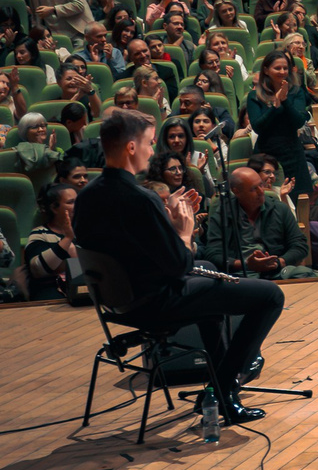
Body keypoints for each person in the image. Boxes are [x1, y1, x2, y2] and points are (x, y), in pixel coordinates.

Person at [74, 107, 283, 424]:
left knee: (210, 278)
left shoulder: (87, 196)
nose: (151, 150)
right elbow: (178, 266)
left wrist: (166, 224)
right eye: (148, 142)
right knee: (270, 296)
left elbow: (131, 249)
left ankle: (220, 391)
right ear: (131, 147)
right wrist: (184, 230)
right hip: (156, 303)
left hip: (119, 302)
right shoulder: (141, 199)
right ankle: (227, 382)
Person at [199, 165, 308, 276]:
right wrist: (245, 264)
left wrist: (279, 262)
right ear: (236, 192)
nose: (261, 192)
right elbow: (212, 254)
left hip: (277, 271)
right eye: (253, 189)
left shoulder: (279, 209)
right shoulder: (223, 214)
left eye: (261, 185)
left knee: (304, 273)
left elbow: (300, 245)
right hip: (241, 274)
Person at [247, 49, 318, 201]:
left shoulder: (296, 92)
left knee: (298, 198)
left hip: (292, 152)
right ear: (266, 70)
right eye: (277, 68)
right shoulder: (255, 95)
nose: (282, 72)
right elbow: (258, 127)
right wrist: (275, 105)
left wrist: (285, 100)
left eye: (285, 68)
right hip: (266, 155)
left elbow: (299, 121)